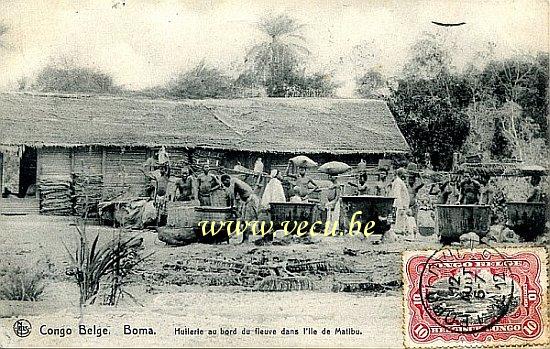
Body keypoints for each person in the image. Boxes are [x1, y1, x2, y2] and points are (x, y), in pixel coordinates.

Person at [221, 174, 259, 242]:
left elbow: (232, 196)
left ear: (227, 180)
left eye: (225, 184)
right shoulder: (234, 183)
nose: (225, 186)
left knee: (247, 221)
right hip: (247, 200)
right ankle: (244, 240)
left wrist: (231, 208)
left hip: (251, 199)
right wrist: (231, 207)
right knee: (244, 220)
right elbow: (232, 197)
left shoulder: (233, 181)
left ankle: (246, 240)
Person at [391, 168, 410, 234]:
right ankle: (399, 231)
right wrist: (400, 205)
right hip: (400, 205)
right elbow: (397, 194)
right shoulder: (398, 182)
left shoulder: (399, 181)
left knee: (403, 218)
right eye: (404, 173)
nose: (406, 175)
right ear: (401, 174)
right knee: (400, 218)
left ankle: (403, 231)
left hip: (403, 205)